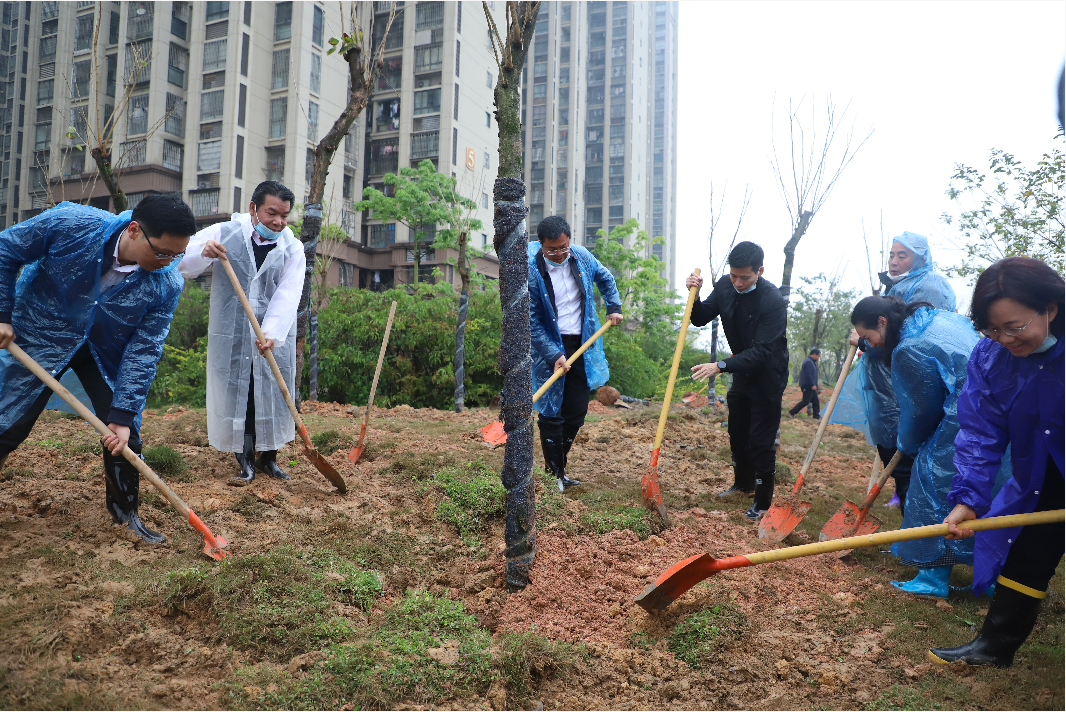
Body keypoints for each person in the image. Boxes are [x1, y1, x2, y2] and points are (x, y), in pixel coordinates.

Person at [0, 195, 197, 543]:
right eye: (163, 253)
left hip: (103, 351)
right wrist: (2, 314)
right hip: (41, 334)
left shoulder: (166, 283)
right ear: (134, 231)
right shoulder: (71, 224)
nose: (169, 262)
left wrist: (121, 416)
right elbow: (7, 250)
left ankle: (126, 516)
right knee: (9, 420)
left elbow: (145, 348)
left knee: (126, 435)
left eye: (176, 255)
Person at [927, 257, 1063, 667]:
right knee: (1027, 551)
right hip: (1042, 473)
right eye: (992, 329)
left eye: (1015, 327)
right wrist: (968, 496)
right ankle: (995, 646)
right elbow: (980, 432)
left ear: (1050, 309)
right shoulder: (990, 358)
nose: (1004, 338)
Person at [850, 294, 1006, 599]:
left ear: (882, 322)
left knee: (931, 485)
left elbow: (920, 409)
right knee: (990, 492)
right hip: (996, 411)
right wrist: (864, 343)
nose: (875, 345)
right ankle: (990, 579)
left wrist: (907, 443)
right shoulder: (937, 319)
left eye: (870, 337)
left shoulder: (909, 349)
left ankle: (932, 577)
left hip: (964, 418)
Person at [178, 181, 304, 486]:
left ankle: (269, 458)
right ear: (253, 209)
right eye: (272, 213)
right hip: (233, 334)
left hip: (271, 336)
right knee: (242, 396)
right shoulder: (226, 232)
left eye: (284, 216)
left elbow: (289, 293)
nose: (278, 221)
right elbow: (183, 260)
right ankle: (246, 460)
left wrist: (272, 332)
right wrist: (202, 250)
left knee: (275, 392)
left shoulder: (292, 247)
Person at [849, 233, 958, 513]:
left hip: (906, 386)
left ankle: (918, 523)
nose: (894, 261)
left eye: (902, 255)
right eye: (892, 255)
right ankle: (906, 506)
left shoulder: (930, 285)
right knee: (892, 450)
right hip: (885, 386)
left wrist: (863, 341)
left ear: (920, 258)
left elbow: (916, 337)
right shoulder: (897, 285)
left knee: (909, 454)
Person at [688, 242, 789, 521]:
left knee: (761, 440)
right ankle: (742, 483)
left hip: (768, 375)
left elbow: (762, 351)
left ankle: (763, 501)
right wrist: (693, 295)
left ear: (760, 271)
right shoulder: (724, 286)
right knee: (737, 432)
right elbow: (698, 318)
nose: (738, 282)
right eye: (734, 276)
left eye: (745, 277)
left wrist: (720, 366)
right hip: (742, 373)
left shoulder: (772, 300)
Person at [528, 216, 622, 493]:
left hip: (583, 342)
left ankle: (558, 469)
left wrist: (613, 305)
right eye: (552, 250)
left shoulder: (581, 256)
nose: (558, 254)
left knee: (577, 411)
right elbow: (531, 321)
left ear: (570, 240)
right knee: (551, 411)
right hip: (550, 346)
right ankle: (553, 473)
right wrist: (552, 353)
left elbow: (605, 277)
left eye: (563, 247)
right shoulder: (532, 271)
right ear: (541, 245)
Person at [788, 348, 821, 419]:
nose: (818, 358)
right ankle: (791, 412)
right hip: (808, 386)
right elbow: (808, 375)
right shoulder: (808, 362)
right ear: (814, 354)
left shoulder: (811, 362)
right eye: (818, 356)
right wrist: (812, 384)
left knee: (816, 401)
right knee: (805, 401)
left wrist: (815, 384)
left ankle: (816, 416)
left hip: (810, 386)